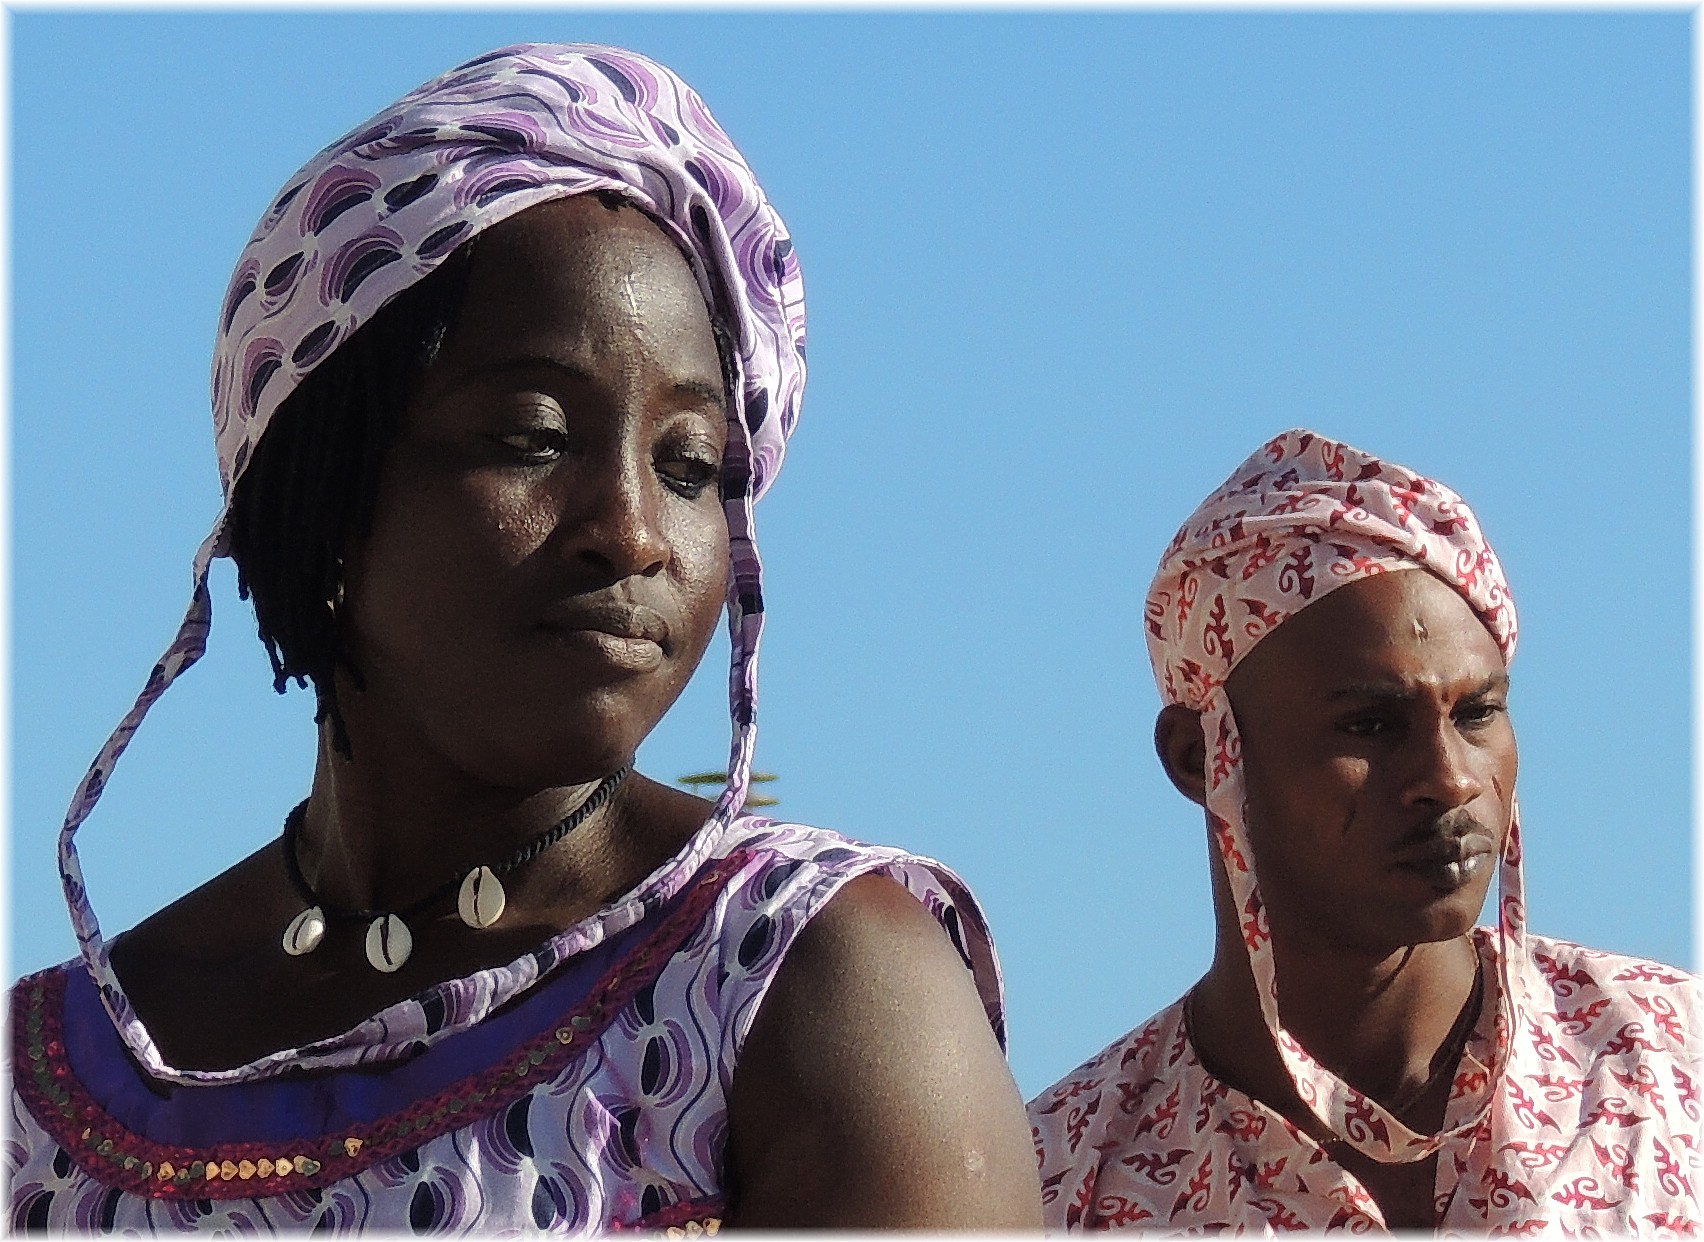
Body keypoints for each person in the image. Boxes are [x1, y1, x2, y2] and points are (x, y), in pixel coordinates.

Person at [7, 44, 1041, 1231]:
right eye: (535, 438)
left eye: (693, 466)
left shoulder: (808, 984)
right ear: (328, 495)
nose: (633, 531)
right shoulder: (44, 1084)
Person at [1029, 429, 1700, 1232]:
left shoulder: (1671, 1066)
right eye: (1372, 725)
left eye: (1478, 713)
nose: (1449, 779)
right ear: (1199, 755)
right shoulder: (1061, 1181)